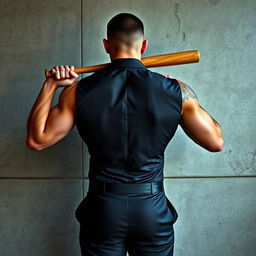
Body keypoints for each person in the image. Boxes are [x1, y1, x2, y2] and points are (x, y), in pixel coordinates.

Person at [26, 12, 224, 256]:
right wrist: (183, 94)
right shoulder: (177, 91)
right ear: (143, 46)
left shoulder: (78, 92)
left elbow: (37, 140)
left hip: (103, 209)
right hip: (151, 209)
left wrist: (50, 86)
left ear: (106, 45)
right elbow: (216, 141)